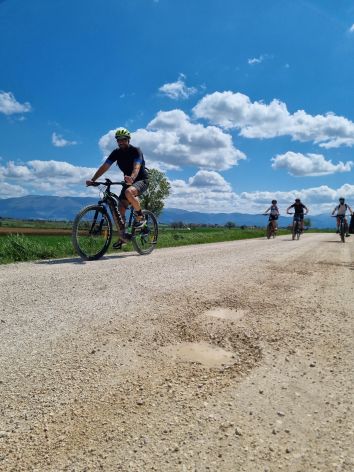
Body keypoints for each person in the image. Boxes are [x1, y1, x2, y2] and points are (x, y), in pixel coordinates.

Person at [86, 128, 149, 248]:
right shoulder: (116, 153)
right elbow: (105, 166)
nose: (121, 142)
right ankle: (123, 237)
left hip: (141, 179)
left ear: (128, 140)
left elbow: (137, 166)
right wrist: (93, 179)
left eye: (124, 140)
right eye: (119, 140)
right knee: (120, 210)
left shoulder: (136, 151)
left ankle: (141, 218)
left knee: (128, 192)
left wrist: (132, 177)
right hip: (127, 181)